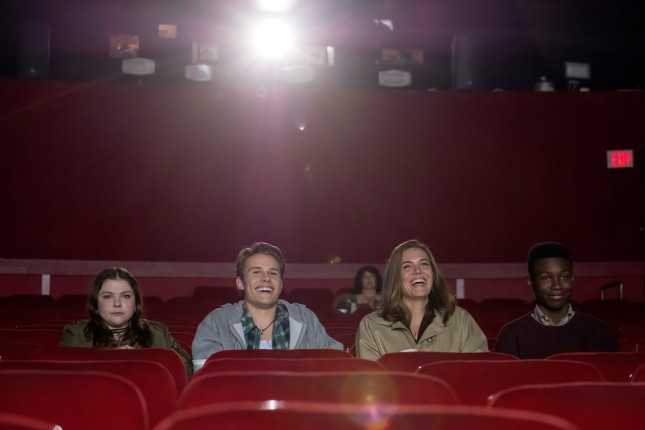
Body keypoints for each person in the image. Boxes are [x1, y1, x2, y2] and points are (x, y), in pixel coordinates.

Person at [192, 242, 343, 360]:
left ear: (281, 284)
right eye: (256, 272)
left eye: (273, 273)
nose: (266, 278)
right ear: (240, 283)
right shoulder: (216, 323)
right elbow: (207, 381)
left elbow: (335, 366)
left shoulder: (307, 319)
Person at [356, 239, 488, 360]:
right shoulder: (371, 326)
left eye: (424, 264)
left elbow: (478, 372)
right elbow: (371, 377)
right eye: (407, 266)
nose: (417, 271)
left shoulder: (462, 320)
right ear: (395, 277)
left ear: (433, 274)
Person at [59, 267, 193, 377]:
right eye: (108, 296)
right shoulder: (75, 333)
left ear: (136, 303)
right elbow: (64, 378)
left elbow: (187, 373)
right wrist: (109, 358)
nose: (117, 303)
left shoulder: (159, 333)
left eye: (126, 296)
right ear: (95, 304)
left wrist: (146, 358)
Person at [493, 241, 619, 358]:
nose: (557, 286)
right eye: (546, 278)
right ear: (530, 281)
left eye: (564, 276)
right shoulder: (511, 334)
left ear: (572, 278)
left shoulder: (601, 332)